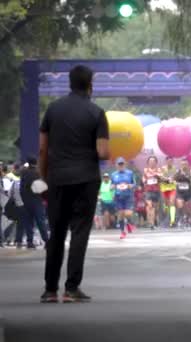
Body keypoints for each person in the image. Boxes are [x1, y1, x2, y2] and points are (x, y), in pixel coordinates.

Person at [40, 65, 110, 303]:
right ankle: (71, 288)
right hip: (86, 180)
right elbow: (102, 151)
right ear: (90, 85)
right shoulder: (97, 113)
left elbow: (42, 149)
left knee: (56, 233)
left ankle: (50, 290)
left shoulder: (53, 109)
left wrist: (43, 178)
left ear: (70, 83)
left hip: (57, 179)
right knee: (79, 232)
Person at [19, 157, 50, 247]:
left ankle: (30, 242)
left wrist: (23, 199)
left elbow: (21, 188)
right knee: (41, 222)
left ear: (28, 163)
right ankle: (47, 241)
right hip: (37, 201)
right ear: (36, 163)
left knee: (28, 222)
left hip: (26, 201)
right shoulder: (39, 173)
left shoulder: (24, 173)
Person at [111, 157, 136, 239]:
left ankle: (129, 223)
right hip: (118, 196)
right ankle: (122, 232)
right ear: (116, 165)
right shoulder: (113, 174)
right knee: (121, 214)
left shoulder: (130, 173)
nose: (121, 165)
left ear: (125, 164)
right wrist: (112, 187)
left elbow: (134, 184)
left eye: (122, 164)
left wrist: (129, 185)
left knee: (127, 213)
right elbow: (111, 185)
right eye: (119, 164)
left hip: (128, 196)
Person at [174, 159, 191, 228]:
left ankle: (189, 219)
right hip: (180, 192)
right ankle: (181, 219)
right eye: (183, 164)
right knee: (180, 205)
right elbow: (173, 180)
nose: (184, 166)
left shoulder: (190, 172)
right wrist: (176, 183)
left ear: (188, 165)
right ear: (181, 165)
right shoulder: (178, 172)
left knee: (188, 208)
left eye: (185, 164)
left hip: (188, 192)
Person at [143, 156, 162, 229]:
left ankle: (154, 220)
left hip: (156, 191)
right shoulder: (145, 170)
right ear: (148, 162)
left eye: (153, 161)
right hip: (148, 191)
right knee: (150, 206)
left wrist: (158, 176)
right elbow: (144, 179)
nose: (152, 162)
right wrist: (144, 181)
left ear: (156, 162)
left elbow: (161, 177)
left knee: (155, 208)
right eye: (150, 161)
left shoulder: (158, 170)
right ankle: (151, 223)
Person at [160, 157, 178, 228]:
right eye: (168, 161)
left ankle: (172, 220)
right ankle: (166, 215)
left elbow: (176, 177)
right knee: (166, 205)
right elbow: (161, 177)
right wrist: (167, 179)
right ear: (166, 161)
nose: (170, 162)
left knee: (172, 202)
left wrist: (174, 179)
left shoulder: (175, 169)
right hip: (164, 189)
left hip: (172, 188)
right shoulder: (162, 169)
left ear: (172, 161)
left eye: (171, 161)